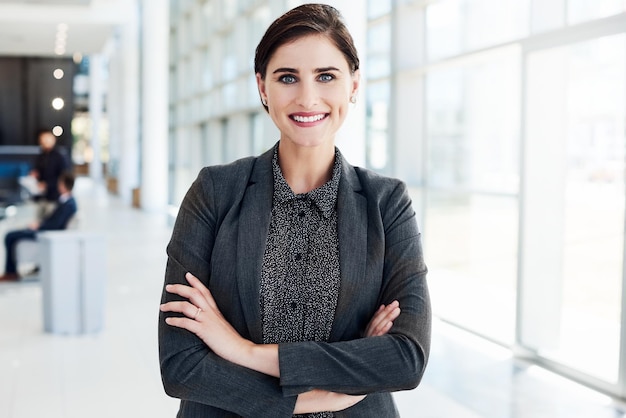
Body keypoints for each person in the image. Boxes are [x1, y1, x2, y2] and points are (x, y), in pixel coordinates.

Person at [158, 4, 431, 417]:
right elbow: (181, 365)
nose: (307, 98)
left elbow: (406, 358)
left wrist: (242, 350)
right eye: (288, 77)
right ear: (263, 88)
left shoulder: (387, 203)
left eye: (326, 76)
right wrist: (327, 390)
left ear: (353, 85)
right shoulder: (215, 192)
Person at [0, 171, 77, 282]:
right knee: (13, 233)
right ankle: (11, 271)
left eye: (59, 183)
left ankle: (11, 272)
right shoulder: (64, 201)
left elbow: (55, 225)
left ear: (63, 185)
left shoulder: (68, 204)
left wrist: (39, 226)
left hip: (46, 232)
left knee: (10, 236)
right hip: (44, 228)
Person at [30, 129, 70, 220]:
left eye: (47, 139)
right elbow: (38, 171)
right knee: (39, 221)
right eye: (43, 139)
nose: (45, 142)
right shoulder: (41, 156)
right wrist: (35, 174)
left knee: (50, 221)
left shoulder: (59, 156)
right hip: (41, 196)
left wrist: (48, 184)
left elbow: (63, 177)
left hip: (54, 196)